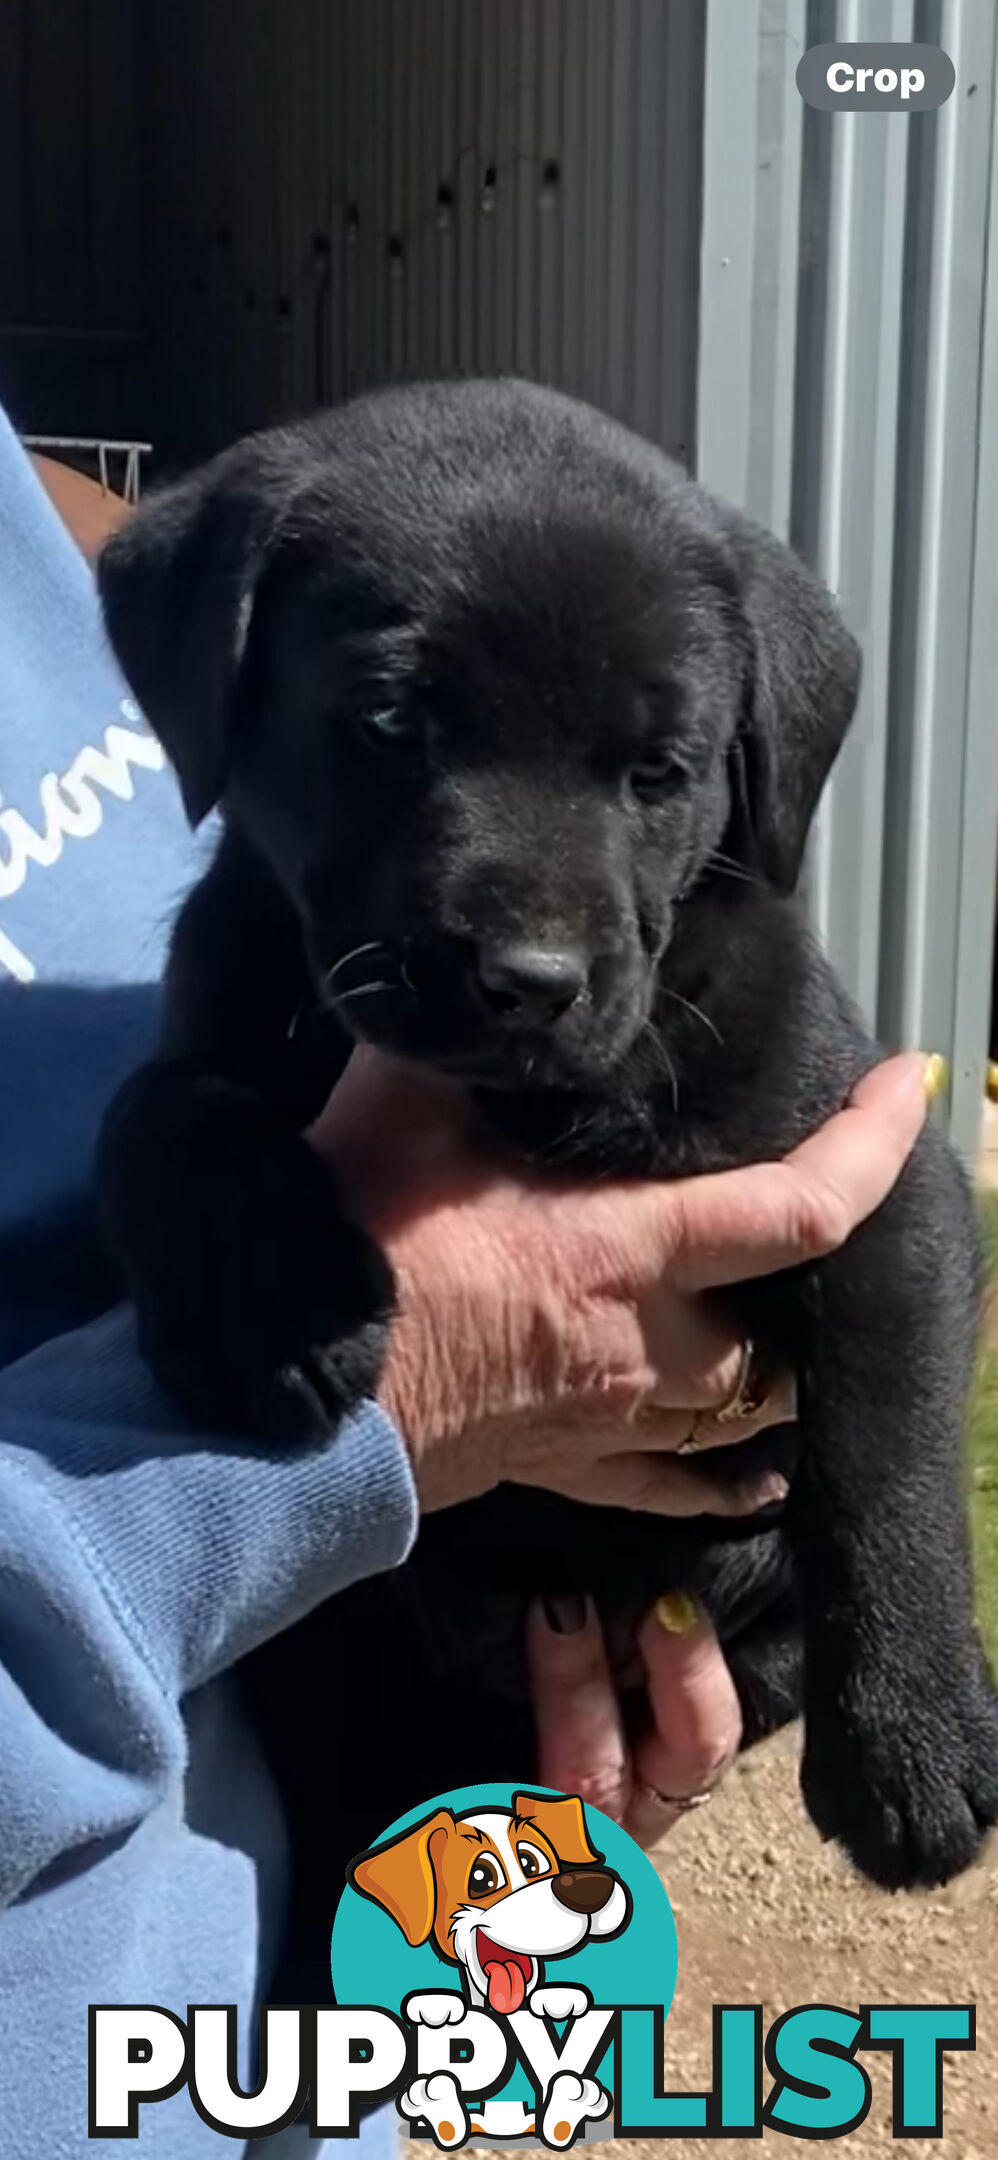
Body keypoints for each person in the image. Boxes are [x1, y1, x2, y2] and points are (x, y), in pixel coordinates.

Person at [0, 402, 930, 2158]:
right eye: (388, 734)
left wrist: (845, 1614)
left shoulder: (43, 524)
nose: (532, 924)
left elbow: (874, 1212)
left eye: (651, 778)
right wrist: (419, 1382)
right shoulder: (233, 696)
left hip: (484, 1787)